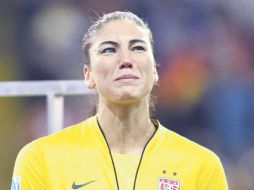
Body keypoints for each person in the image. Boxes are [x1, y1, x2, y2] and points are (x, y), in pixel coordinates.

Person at [11, 11, 228, 190]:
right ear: (88, 75)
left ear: (154, 70)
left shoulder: (201, 165)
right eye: (109, 50)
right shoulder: (40, 159)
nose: (126, 60)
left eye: (138, 48)